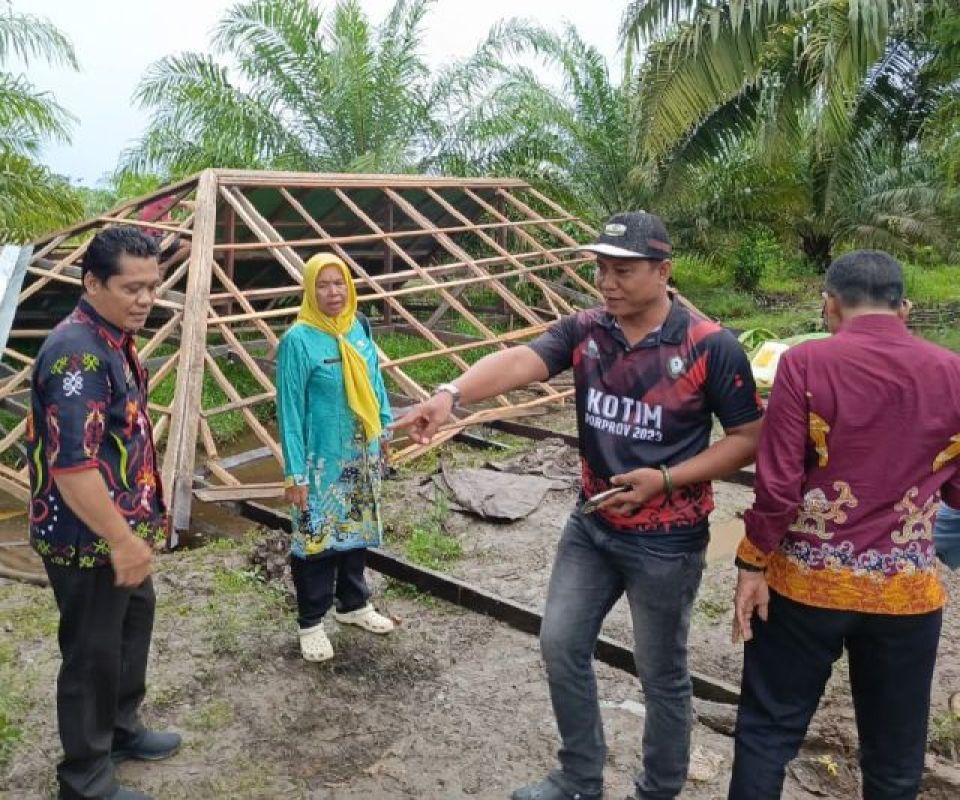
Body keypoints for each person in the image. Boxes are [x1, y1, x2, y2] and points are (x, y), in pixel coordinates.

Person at [393, 212, 763, 800]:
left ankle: (658, 790)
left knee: (662, 673)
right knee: (561, 643)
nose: (608, 282)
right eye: (601, 269)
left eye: (624, 270)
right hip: (592, 526)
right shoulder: (588, 330)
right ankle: (579, 778)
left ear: (663, 272)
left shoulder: (709, 347)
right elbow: (521, 359)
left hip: (667, 540)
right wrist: (450, 394)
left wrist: (665, 479)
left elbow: (748, 439)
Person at [730, 250, 960, 800]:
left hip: (806, 590)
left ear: (830, 304)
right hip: (905, 597)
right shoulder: (953, 373)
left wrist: (751, 562)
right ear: (904, 308)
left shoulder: (806, 364)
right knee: (895, 761)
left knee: (767, 734)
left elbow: (780, 486)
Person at [27, 226, 180, 800]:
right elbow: (72, 467)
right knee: (91, 653)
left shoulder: (113, 338)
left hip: (120, 530)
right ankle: (85, 778)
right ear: (92, 282)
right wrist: (122, 539)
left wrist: (135, 533)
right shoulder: (77, 355)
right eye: (131, 288)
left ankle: (120, 732)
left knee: (131, 628)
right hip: (86, 536)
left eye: (153, 287)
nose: (145, 299)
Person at [277, 252, 396, 663]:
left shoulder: (358, 327)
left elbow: (375, 380)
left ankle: (353, 605)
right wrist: (294, 473)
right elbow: (290, 408)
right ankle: (311, 622)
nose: (333, 292)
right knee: (315, 542)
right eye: (323, 284)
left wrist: (383, 427)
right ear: (310, 289)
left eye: (339, 282)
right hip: (318, 460)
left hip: (358, 452)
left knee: (356, 531)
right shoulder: (298, 340)